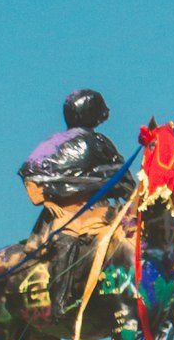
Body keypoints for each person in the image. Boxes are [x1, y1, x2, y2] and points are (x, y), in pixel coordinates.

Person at [18, 89, 130, 317]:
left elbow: (121, 174)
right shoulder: (55, 143)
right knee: (67, 240)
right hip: (68, 211)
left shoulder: (101, 142)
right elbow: (31, 172)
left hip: (100, 210)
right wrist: (45, 199)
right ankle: (59, 300)